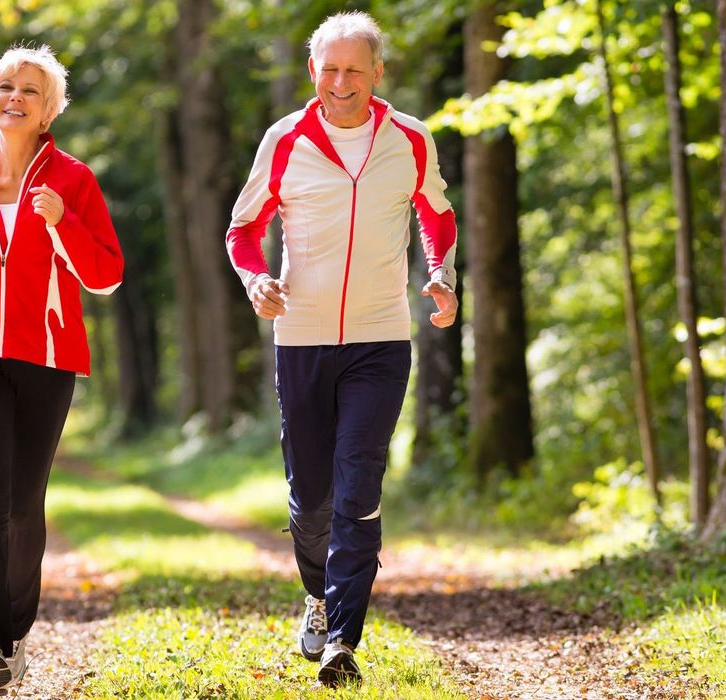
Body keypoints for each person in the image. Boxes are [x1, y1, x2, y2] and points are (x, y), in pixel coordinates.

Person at [225, 11, 458, 688]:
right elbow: (242, 230)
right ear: (312, 73)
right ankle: (316, 595)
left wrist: (440, 274)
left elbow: (435, 214)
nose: (340, 82)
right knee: (311, 497)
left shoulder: (409, 138)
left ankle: (342, 639)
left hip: (380, 338)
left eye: (354, 69)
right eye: (329, 69)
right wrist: (254, 279)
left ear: (377, 73)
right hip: (300, 337)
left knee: (358, 484)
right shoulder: (285, 139)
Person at [0, 44, 123, 697]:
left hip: (47, 354)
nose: (14, 97)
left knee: (22, 503)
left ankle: (12, 634)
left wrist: (62, 222)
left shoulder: (72, 180)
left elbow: (106, 274)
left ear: (49, 111)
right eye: (4, 86)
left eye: (29, 91)